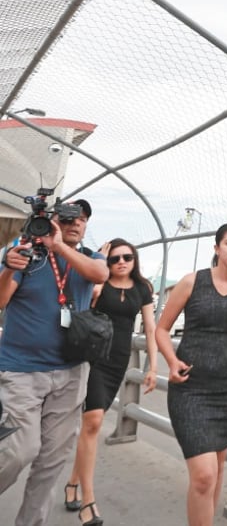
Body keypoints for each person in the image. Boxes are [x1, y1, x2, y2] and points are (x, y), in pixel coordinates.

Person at [0, 199, 109, 526]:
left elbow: (99, 273)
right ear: (51, 220)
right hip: (21, 370)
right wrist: (8, 267)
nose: (77, 223)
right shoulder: (25, 255)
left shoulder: (87, 258)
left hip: (72, 372)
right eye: (69, 217)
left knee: (52, 459)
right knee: (19, 451)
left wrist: (59, 246)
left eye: (83, 219)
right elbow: (2, 299)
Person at [155, 223, 227, 526]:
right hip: (189, 388)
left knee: (215, 473)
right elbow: (161, 329)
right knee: (204, 476)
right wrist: (171, 360)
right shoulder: (193, 282)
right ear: (216, 248)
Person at [65, 238, 157, 525]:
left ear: (134, 259)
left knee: (90, 427)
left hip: (118, 362)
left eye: (126, 257)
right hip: (92, 358)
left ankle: (71, 484)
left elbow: (151, 329)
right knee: (92, 421)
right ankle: (89, 503)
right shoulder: (100, 285)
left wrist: (152, 367)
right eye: (114, 258)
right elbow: (86, 299)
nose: (120, 262)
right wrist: (98, 260)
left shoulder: (143, 289)